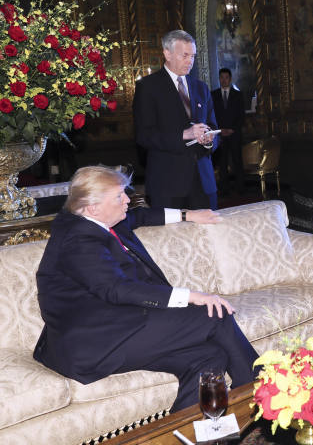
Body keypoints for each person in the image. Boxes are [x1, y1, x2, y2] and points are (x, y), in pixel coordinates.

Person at [33, 165, 258, 412]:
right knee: (215, 314)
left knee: (208, 357)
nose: (127, 200)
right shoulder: (77, 239)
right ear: (93, 207)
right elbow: (116, 288)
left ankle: (184, 431)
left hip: (124, 324)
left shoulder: (99, 220)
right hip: (96, 342)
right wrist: (192, 296)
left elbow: (140, 216)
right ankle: (260, 394)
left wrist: (188, 215)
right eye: (119, 196)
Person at [133, 30, 220, 210]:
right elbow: (144, 135)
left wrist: (209, 140)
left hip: (203, 183)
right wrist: (184, 134)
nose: (190, 61)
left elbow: (213, 126)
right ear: (167, 53)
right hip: (168, 184)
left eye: (193, 56)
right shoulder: (148, 87)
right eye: (185, 55)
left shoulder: (201, 88)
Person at [212, 67, 245, 195]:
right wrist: (220, 130)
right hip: (220, 134)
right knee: (222, 162)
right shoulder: (213, 95)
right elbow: (212, 115)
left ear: (230, 79)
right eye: (222, 77)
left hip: (234, 133)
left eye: (226, 77)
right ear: (219, 79)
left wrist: (232, 129)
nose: (224, 80)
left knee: (237, 161)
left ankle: (240, 188)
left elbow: (241, 115)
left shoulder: (238, 95)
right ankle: (224, 189)